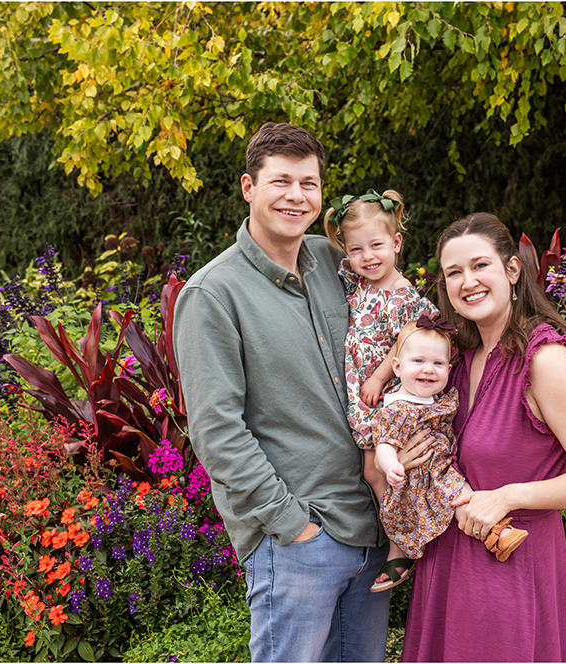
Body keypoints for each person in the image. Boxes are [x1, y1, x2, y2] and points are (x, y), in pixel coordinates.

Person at [173, 122, 401, 662]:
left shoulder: (336, 264)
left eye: (309, 183)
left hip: (369, 530)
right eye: (281, 181)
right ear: (249, 188)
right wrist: (291, 524)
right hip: (298, 540)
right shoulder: (212, 294)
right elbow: (217, 431)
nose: (296, 196)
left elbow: (395, 321)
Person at [401, 212, 566, 662]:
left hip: (509, 571)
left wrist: (506, 496)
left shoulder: (546, 361)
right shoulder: (453, 362)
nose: (468, 282)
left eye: (480, 265)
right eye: (454, 273)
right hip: (446, 566)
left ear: (512, 270)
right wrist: (408, 457)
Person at [322, 189, 439, 589]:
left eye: (376, 246)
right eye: (357, 249)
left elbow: (414, 338)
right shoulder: (361, 284)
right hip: (364, 402)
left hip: (388, 400)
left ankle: (402, 545)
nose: (368, 256)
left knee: (377, 472)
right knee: (371, 471)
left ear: (397, 243)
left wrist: (377, 375)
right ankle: (399, 534)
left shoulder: (402, 294)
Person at [370, 315, 530, 592]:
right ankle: (497, 533)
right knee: (457, 501)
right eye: (418, 362)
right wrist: (390, 465)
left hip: (444, 467)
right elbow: (384, 444)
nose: (428, 370)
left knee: (464, 499)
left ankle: (498, 533)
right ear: (397, 367)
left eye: (438, 363)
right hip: (420, 477)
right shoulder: (397, 408)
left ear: (449, 368)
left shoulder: (441, 399)